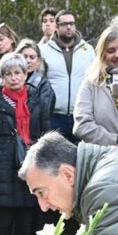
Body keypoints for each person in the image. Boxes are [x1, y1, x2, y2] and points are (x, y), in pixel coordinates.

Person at [0, 52, 51, 235]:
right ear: (2, 77)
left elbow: (46, 135)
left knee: (24, 223)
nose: (14, 78)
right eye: (8, 74)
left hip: (29, 169)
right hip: (2, 170)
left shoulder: (36, 100)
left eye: (18, 72)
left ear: (25, 74)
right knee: (1, 223)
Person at [73, 25, 118, 148]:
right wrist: (113, 144)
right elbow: (82, 124)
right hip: (104, 157)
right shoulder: (91, 83)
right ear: (103, 54)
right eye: (111, 51)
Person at [40, 11, 95, 140]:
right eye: (64, 24)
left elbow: (94, 79)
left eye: (71, 23)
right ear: (57, 27)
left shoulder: (88, 50)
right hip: (54, 115)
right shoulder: (44, 50)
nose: (69, 27)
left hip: (81, 114)